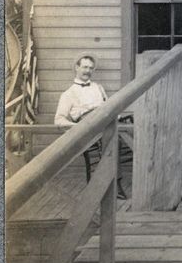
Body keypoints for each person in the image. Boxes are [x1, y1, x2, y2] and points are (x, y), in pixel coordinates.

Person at [54, 54, 127, 199]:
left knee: (119, 136)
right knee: (112, 141)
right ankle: (112, 185)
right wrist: (78, 126)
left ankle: (112, 183)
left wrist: (115, 115)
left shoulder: (98, 88)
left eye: (91, 68)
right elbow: (58, 120)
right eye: (85, 67)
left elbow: (107, 105)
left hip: (105, 119)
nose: (88, 71)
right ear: (77, 67)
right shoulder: (68, 94)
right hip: (88, 126)